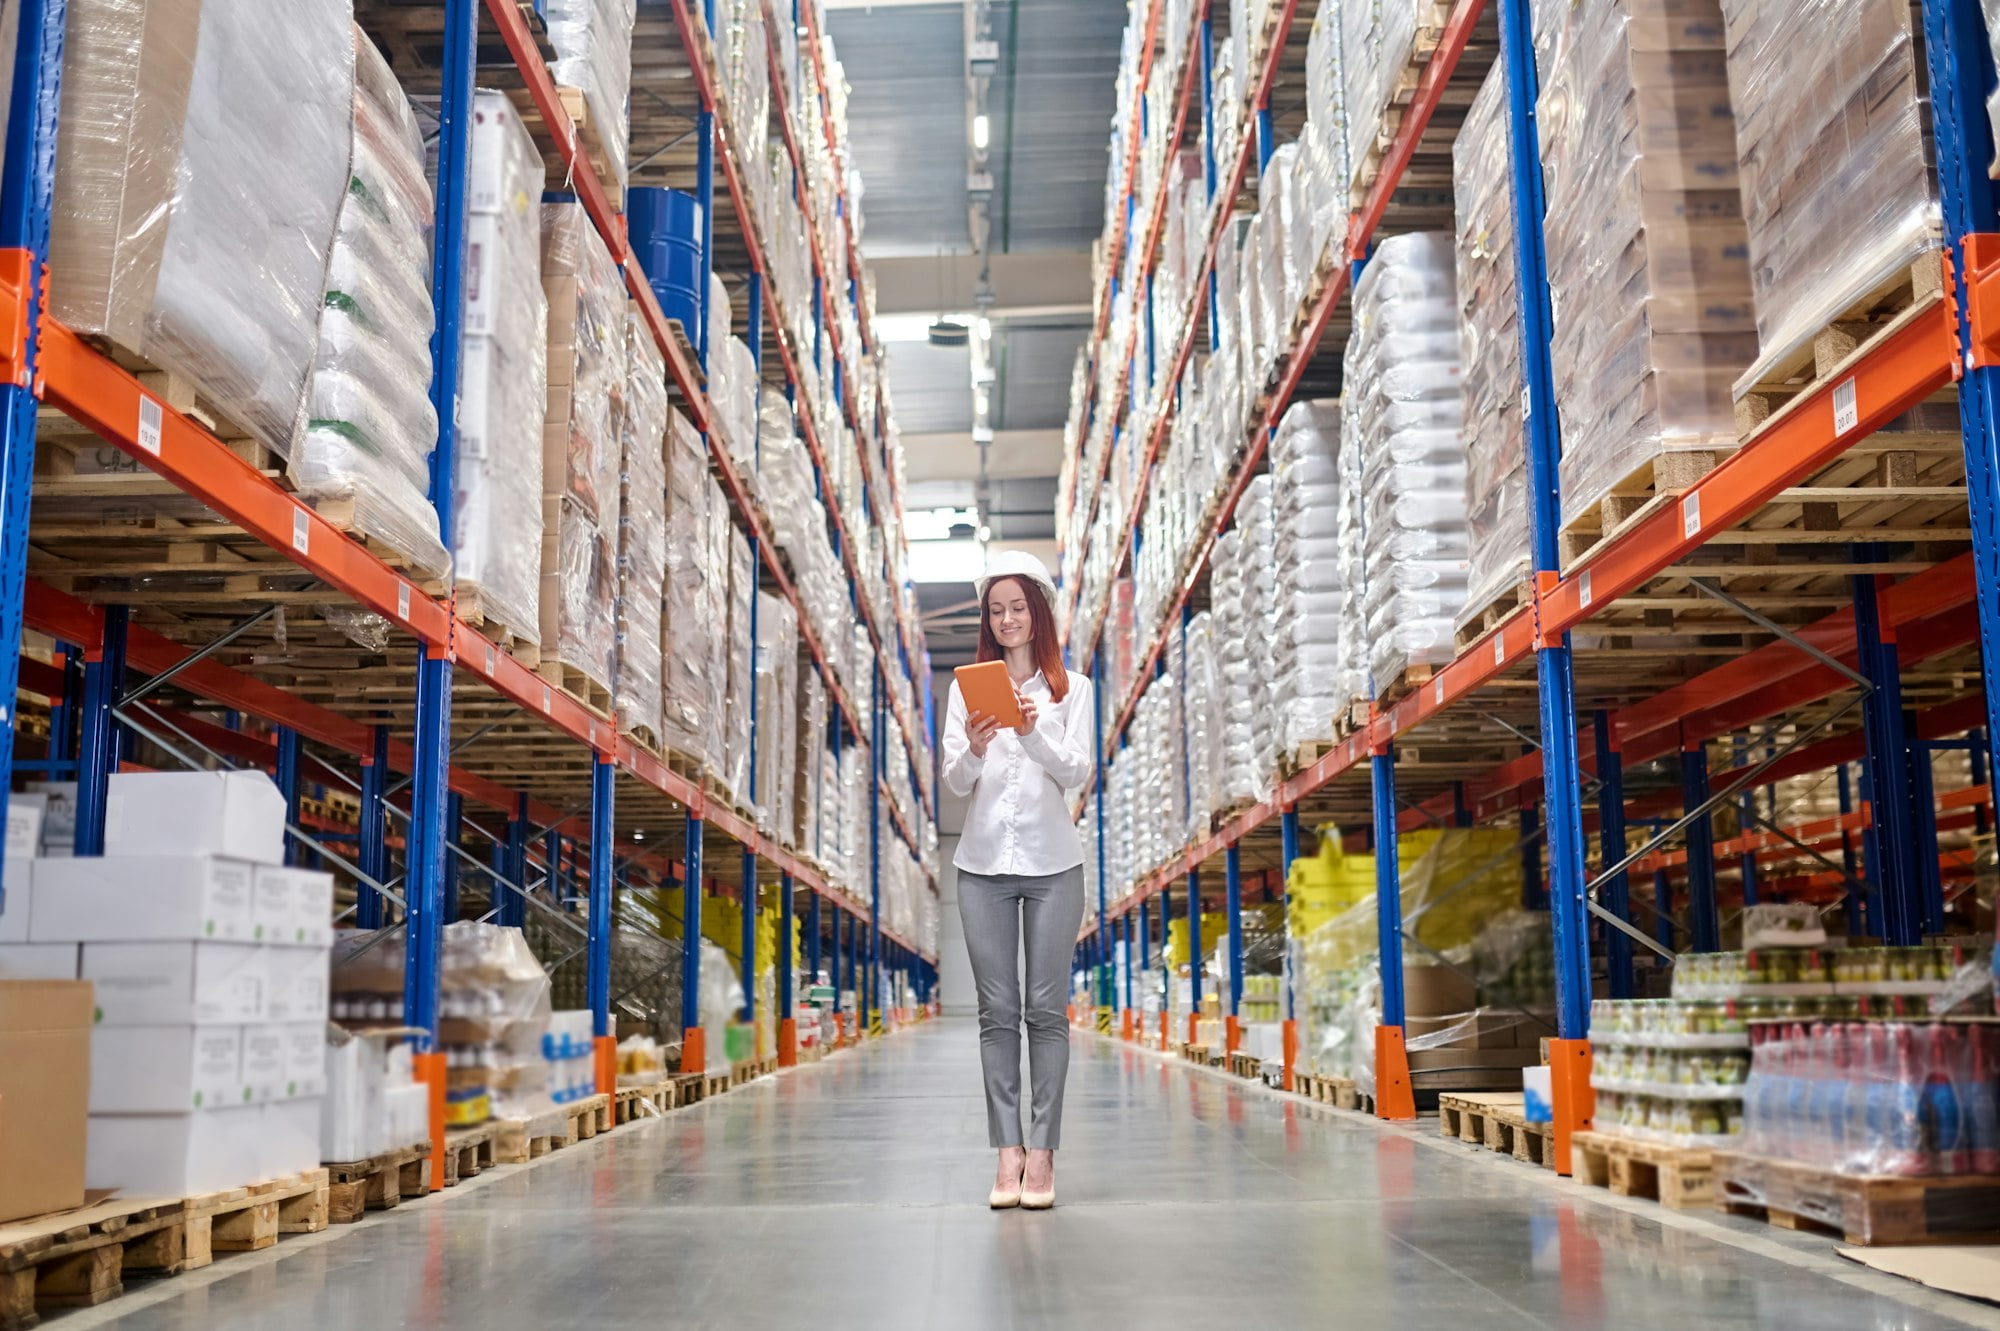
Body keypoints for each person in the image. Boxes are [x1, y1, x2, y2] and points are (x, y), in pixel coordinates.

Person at [941, 549, 1095, 1211]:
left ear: (1038, 612)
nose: (1007, 619)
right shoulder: (964, 689)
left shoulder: (1074, 688)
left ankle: (1044, 1150)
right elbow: (951, 781)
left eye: (1018, 607)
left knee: (1045, 1011)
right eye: (996, 610)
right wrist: (974, 747)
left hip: (1054, 865)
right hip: (981, 868)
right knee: (997, 1014)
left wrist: (1032, 734)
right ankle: (1007, 1153)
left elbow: (1078, 772)